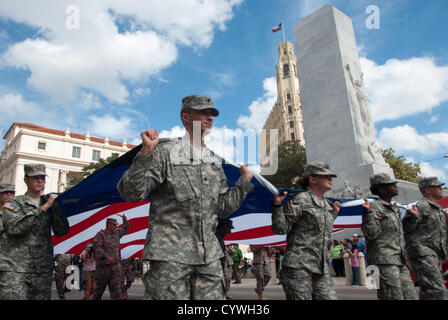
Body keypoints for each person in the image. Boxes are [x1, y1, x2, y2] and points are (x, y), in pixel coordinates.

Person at [117, 94, 255, 300]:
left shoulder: (213, 162)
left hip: (209, 257)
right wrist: (146, 153)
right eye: (203, 112)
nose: (210, 117)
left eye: (211, 113)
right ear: (186, 117)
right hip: (170, 256)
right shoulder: (164, 152)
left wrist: (243, 184)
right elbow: (132, 193)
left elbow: (222, 209)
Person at [271, 162, 340, 300]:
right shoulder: (301, 200)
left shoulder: (327, 205)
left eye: (330, 176)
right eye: (325, 176)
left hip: (321, 268)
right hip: (299, 266)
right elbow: (280, 228)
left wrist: (334, 213)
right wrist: (277, 206)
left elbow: (320, 230)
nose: (330, 179)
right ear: (312, 179)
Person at [0, 164, 69, 299]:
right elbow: (14, 228)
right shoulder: (14, 203)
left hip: (42, 269)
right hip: (15, 268)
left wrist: (55, 210)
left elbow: (62, 231)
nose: (39, 181)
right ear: (26, 180)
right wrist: (43, 209)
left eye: (42, 178)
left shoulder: (50, 203)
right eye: (34, 177)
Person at [361, 173, 418, 299]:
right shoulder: (374, 207)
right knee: (392, 296)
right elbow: (371, 233)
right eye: (392, 185)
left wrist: (412, 218)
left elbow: (402, 231)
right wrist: (368, 213)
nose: (396, 186)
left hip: (398, 259)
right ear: (382, 189)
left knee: (411, 296)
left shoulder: (394, 208)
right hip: (383, 260)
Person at [402, 177, 447, 300]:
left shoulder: (438, 209)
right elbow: (407, 229)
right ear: (427, 190)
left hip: (434, 254)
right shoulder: (420, 206)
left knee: (429, 290)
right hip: (422, 253)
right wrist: (412, 217)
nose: (440, 188)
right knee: (436, 289)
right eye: (437, 186)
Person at [92, 215, 129, 300]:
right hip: (103, 269)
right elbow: (97, 247)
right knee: (98, 292)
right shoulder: (100, 234)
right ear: (108, 224)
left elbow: (126, 229)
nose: (116, 226)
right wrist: (107, 257)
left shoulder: (116, 233)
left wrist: (125, 219)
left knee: (117, 293)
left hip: (115, 269)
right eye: (114, 224)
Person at [215, 218, 234, 300]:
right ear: (224, 226)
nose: (230, 231)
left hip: (220, 265)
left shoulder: (220, 238)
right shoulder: (215, 238)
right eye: (229, 228)